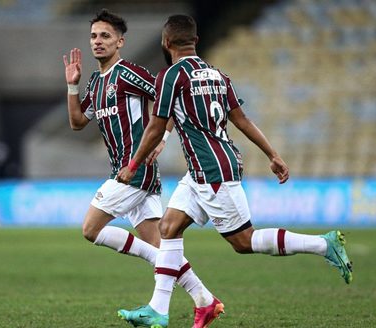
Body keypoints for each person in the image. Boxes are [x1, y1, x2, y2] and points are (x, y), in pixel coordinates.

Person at [116, 14, 353, 328]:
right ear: (196, 42)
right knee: (169, 227)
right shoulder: (217, 75)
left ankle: (324, 245)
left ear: (166, 43)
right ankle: (162, 309)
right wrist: (273, 154)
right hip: (205, 168)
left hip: (211, 170)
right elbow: (241, 120)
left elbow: (157, 126)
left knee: (244, 242)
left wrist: (133, 165)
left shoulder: (171, 76)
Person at [62, 9, 223, 327]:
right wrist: (72, 86)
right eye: (94, 36)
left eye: (105, 36)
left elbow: (170, 97)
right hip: (129, 173)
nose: (98, 41)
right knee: (159, 245)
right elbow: (78, 122)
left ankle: (171, 274)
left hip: (133, 171)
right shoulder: (96, 83)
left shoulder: (127, 74)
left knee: (91, 230)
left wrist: (162, 136)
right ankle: (206, 301)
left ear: (120, 42)